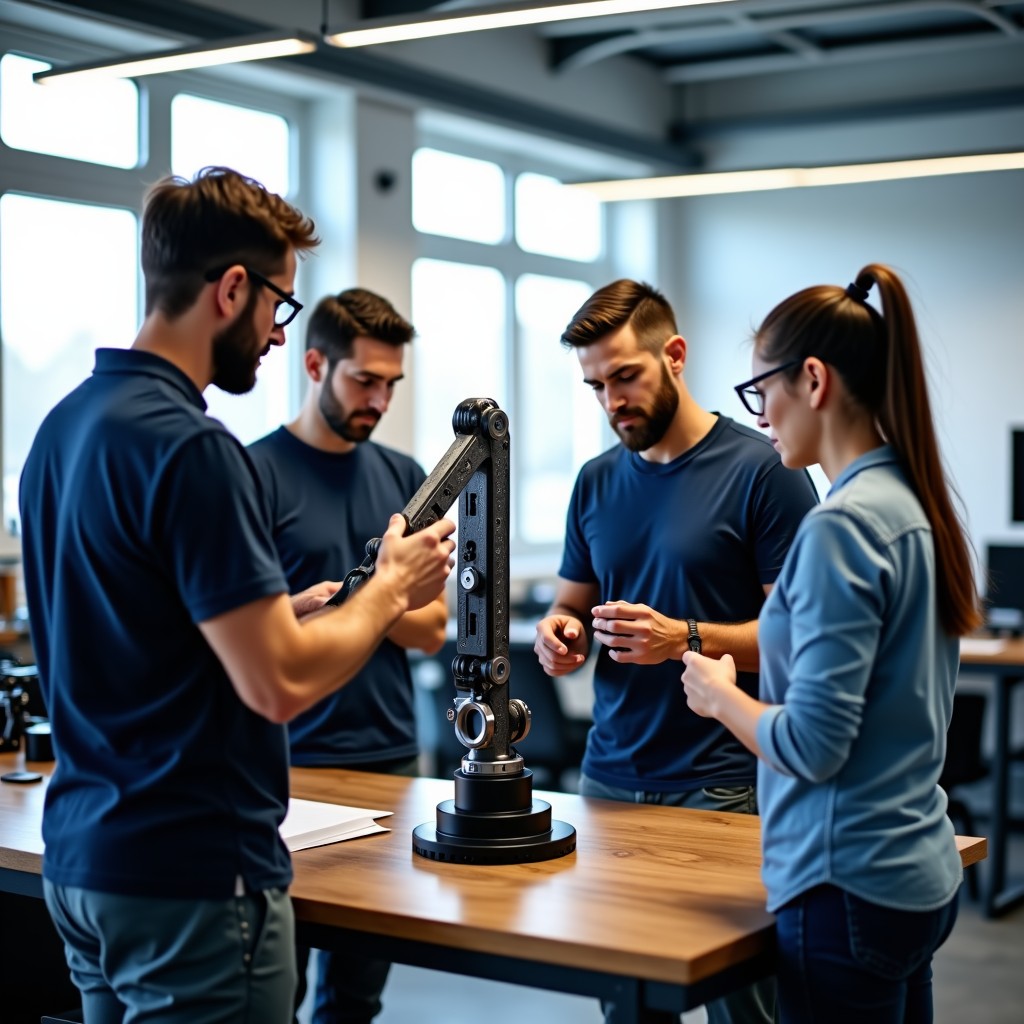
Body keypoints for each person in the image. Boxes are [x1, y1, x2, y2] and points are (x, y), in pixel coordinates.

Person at [18, 166, 456, 1024]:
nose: (274, 335)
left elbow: (121, 629)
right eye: (278, 307)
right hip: (193, 877)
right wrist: (391, 585)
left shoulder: (63, 429)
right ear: (230, 290)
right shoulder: (197, 449)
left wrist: (270, 616)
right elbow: (280, 683)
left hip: (84, 865)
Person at [681, 263, 982, 1023]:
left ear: (812, 380)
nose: (759, 416)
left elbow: (814, 745)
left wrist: (722, 699)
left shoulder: (842, 526)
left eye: (761, 392)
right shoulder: (912, 501)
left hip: (844, 882)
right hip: (916, 868)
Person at [533, 278, 818, 1024]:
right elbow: (570, 601)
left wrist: (680, 639)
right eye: (596, 385)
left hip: (720, 782)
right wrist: (557, 634)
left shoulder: (766, 471)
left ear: (676, 355)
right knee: (626, 1004)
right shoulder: (595, 482)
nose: (611, 400)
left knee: (743, 1009)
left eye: (625, 375)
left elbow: (796, 643)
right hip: (609, 778)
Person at [247, 288, 445, 1024]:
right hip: (289, 760)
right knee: (277, 984)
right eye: (365, 380)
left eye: (392, 383)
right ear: (314, 364)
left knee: (357, 994)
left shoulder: (404, 476)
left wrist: (366, 600)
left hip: (389, 759)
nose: (380, 398)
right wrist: (390, 594)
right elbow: (262, 639)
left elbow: (432, 630)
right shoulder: (253, 473)